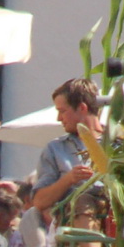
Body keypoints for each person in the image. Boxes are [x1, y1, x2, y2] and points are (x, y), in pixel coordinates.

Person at [32, 80, 107, 215]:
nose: (58, 118)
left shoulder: (118, 143)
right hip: (75, 219)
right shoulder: (56, 149)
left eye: (62, 111)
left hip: (114, 217)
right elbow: (39, 201)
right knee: (82, 200)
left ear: (82, 108)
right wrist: (69, 179)